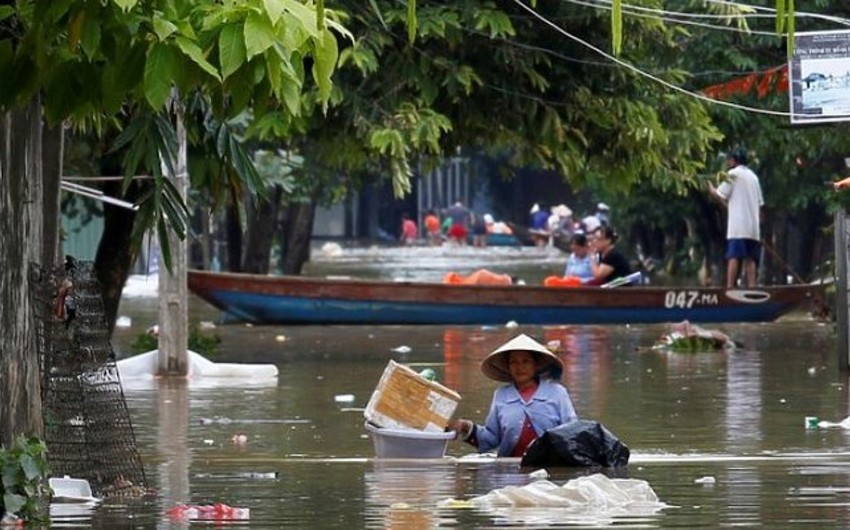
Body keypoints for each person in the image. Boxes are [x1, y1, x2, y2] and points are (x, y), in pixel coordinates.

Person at [449, 334, 578, 457]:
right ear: (508, 366)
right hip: (509, 467)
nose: (520, 367)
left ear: (536, 364)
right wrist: (466, 427)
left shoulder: (557, 392)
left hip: (549, 465)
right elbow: (491, 439)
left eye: (526, 361)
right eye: (514, 362)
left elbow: (572, 432)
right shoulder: (501, 395)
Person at [708, 148, 764, 288]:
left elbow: (719, 194)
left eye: (729, 159)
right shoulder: (754, 177)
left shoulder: (733, 174)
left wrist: (710, 188)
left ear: (734, 160)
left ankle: (729, 287)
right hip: (753, 228)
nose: (728, 162)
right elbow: (759, 204)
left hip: (738, 227)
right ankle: (752, 287)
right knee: (750, 259)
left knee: (733, 256)